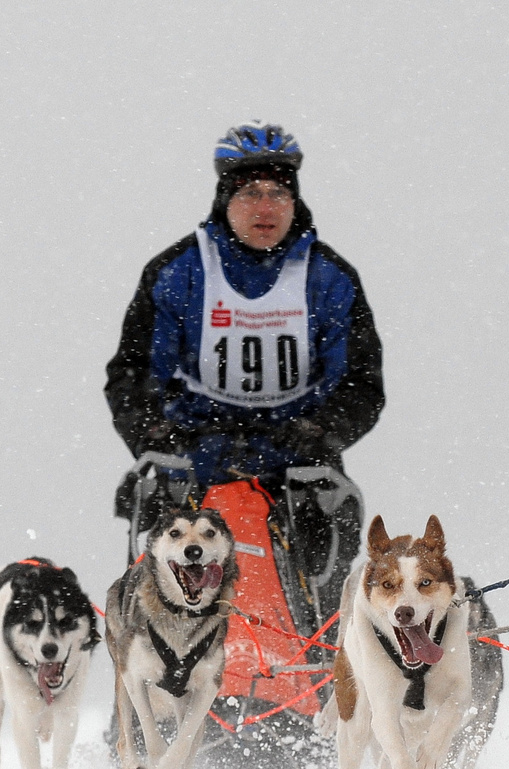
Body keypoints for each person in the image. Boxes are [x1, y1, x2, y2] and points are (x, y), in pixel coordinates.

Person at [105, 121, 383, 621]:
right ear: (224, 200)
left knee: (333, 523)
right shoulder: (179, 273)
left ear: (295, 201)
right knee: (153, 526)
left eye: (279, 193)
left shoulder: (328, 278)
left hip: (294, 456)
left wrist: (321, 433)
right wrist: (159, 434)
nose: (265, 207)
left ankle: (323, 657)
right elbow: (132, 376)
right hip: (195, 450)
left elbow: (361, 383)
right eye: (251, 192)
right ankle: (145, 672)